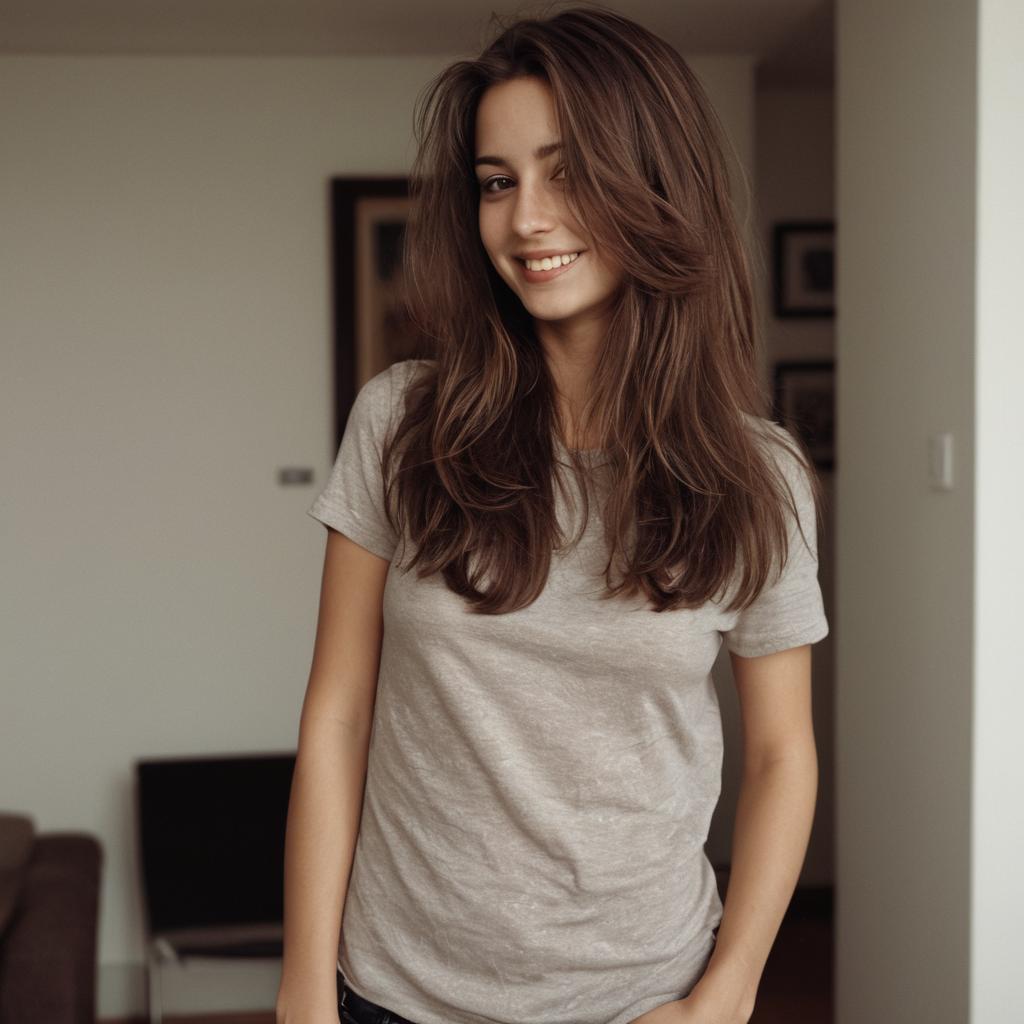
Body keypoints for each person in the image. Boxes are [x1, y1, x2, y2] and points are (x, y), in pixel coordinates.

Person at [276, 4, 829, 1024]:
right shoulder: (400, 422)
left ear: (655, 184)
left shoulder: (760, 476)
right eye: (498, 182)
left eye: (567, 173)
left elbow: (781, 755)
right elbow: (337, 714)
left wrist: (728, 991)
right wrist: (303, 985)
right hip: (392, 992)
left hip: (641, 997)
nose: (526, 219)